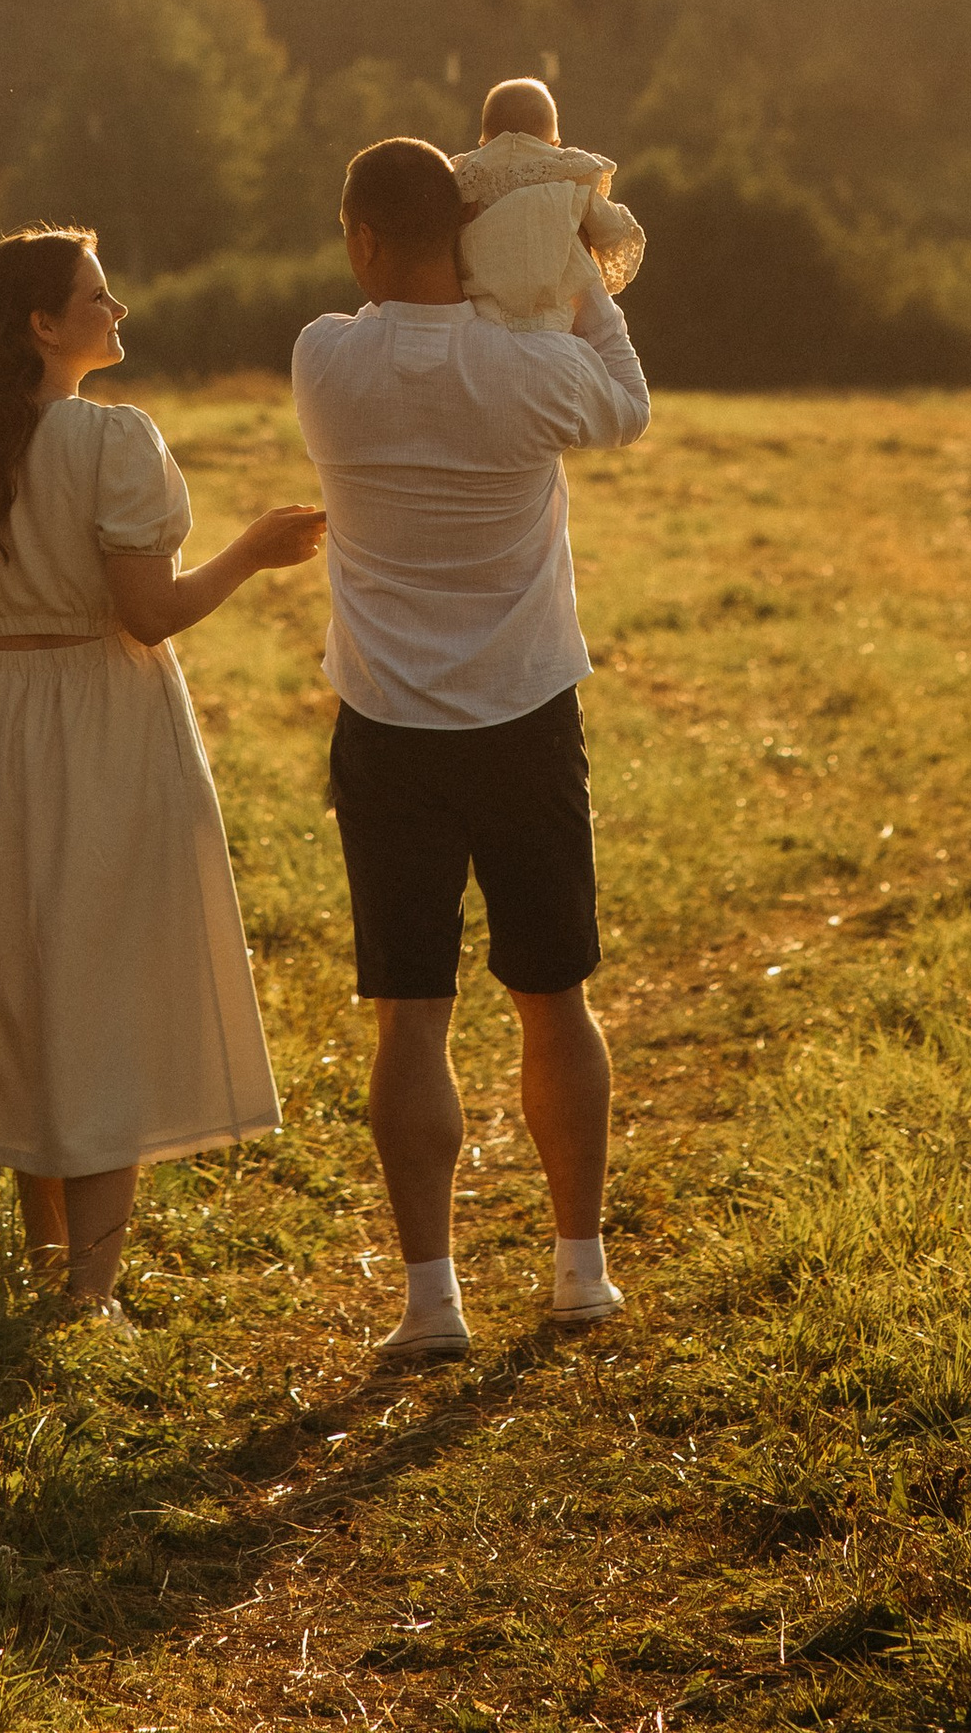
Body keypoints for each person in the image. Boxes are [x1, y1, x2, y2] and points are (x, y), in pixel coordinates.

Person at [0, 223, 325, 1315]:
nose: (117, 308)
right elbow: (149, 612)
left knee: (24, 977)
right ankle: (90, 1291)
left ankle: (47, 1267)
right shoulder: (111, 440)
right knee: (108, 982)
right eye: (97, 294)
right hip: (106, 710)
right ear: (42, 325)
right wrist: (251, 551)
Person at [292, 135, 651, 1362]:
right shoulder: (529, 368)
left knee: (410, 1021)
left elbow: (397, 325)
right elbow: (628, 405)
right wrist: (571, 266)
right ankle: (577, 1273)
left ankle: (429, 1298)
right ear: (463, 238)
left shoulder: (323, 363)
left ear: (359, 241)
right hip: (524, 714)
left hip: (388, 728)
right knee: (553, 998)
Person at [453, 71, 646, 334]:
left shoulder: (467, 170)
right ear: (555, 142)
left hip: (481, 306)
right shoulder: (568, 168)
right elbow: (606, 224)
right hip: (550, 312)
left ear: (483, 141)